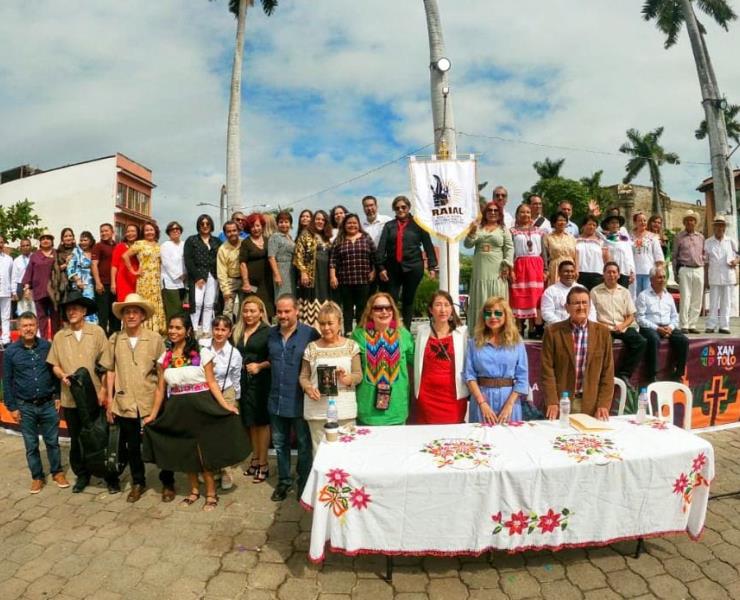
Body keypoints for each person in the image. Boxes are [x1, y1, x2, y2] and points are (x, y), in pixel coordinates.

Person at [143, 314, 247, 511]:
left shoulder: (201, 353)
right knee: (185, 450)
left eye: (178, 328)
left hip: (201, 406)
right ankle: (193, 491)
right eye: (171, 327)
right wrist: (153, 415)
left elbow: (212, 382)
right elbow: (160, 389)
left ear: (188, 331)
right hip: (177, 408)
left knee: (203, 451)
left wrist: (226, 406)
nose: (173, 331)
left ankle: (211, 493)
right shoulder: (164, 357)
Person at [100, 294, 166, 502]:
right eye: (127, 312)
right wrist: (109, 401)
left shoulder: (155, 339)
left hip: (150, 399)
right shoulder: (115, 339)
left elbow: (162, 372)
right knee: (131, 446)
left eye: (135, 311)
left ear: (143, 315)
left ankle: (168, 481)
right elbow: (110, 370)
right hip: (124, 400)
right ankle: (138, 481)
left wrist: (160, 400)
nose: (131, 315)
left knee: (159, 444)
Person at [47, 291, 109, 493]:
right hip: (70, 397)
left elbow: (106, 364)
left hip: (94, 396)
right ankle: (83, 476)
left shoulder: (97, 332)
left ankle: (107, 474)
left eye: (75, 308)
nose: (71, 311)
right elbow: (54, 364)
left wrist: (105, 391)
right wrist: (62, 374)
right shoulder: (59, 336)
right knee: (77, 439)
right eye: (68, 308)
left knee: (99, 437)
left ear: (84, 311)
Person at [3, 311, 69, 493]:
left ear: (37, 327)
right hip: (25, 406)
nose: (28, 329)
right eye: (24, 326)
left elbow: (54, 371)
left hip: (48, 403)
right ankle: (37, 477)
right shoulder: (10, 352)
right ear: (19, 328)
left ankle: (57, 472)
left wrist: (57, 396)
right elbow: (7, 382)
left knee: (52, 442)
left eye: (31, 325)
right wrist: (12, 407)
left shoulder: (47, 347)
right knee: (31, 445)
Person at [267, 294, 320, 501]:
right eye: (279, 311)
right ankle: (284, 482)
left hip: (300, 401)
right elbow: (266, 359)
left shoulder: (309, 334)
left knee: (304, 445)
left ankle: (304, 483)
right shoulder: (270, 335)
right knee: (280, 444)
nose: (283, 315)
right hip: (276, 400)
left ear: (296, 310)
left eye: (287, 311)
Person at [541, 287, 614, 420]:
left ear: (590, 306)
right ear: (567, 307)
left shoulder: (603, 333)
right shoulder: (553, 332)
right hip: (560, 404)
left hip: (591, 405)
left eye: (585, 302)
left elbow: (607, 372)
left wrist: (603, 404)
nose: (581, 307)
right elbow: (547, 371)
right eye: (576, 303)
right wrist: (552, 401)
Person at [300, 302, 361, 452]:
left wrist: (347, 379)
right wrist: (308, 388)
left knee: (347, 452)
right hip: (317, 410)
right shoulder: (311, 348)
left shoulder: (351, 346)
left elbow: (358, 374)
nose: (326, 328)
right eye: (322, 324)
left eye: (330, 323)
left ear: (339, 323)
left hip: (344, 409)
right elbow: (303, 376)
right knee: (320, 453)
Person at [352, 292, 414, 426]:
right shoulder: (358, 336)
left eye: (388, 307)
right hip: (368, 412)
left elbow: (417, 362)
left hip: (396, 411)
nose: (384, 311)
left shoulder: (403, 334)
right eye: (378, 308)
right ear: (370, 312)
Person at [376, 195, 438, 329]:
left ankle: (407, 330)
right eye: (397, 208)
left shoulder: (419, 224)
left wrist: (432, 266)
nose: (400, 210)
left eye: (403, 207)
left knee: (408, 299)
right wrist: (381, 267)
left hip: (414, 266)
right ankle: (391, 328)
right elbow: (381, 247)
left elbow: (428, 245)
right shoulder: (389, 226)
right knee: (391, 300)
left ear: (408, 207)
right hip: (392, 268)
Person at [464, 297, 529, 424]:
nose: (493, 317)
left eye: (498, 313)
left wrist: (509, 405)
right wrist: (482, 403)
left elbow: (523, 376)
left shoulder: (517, 342)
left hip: (509, 401)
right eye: (488, 313)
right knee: (481, 442)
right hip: (481, 401)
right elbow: (469, 375)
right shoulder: (474, 343)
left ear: (506, 316)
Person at [233, 295, 272, 484]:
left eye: (252, 311)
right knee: (250, 422)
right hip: (243, 381)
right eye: (246, 311)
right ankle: (255, 458)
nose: (248, 314)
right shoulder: (238, 330)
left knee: (262, 422)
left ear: (261, 313)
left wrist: (261, 365)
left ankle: (264, 463)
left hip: (262, 380)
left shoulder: (269, 332)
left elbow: (276, 357)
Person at [414, 291, 469, 424]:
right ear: (431, 310)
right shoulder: (422, 332)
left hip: (453, 397)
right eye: (438, 305)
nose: (443, 309)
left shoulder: (462, 333)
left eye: (446, 305)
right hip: (426, 395)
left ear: (451, 309)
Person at [590, 262, 647, 386]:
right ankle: (603, 376)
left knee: (641, 342)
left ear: (619, 275)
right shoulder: (595, 292)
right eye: (608, 272)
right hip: (603, 327)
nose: (611, 275)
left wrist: (623, 325)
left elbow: (631, 315)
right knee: (604, 344)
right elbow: (591, 315)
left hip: (622, 327)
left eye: (614, 272)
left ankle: (624, 374)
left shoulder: (624, 292)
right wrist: (602, 325)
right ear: (603, 274)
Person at [206, 315, 243, 491]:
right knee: (208, 431)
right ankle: (209, 467)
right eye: (217, 329)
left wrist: (235, 400)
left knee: (224, 431)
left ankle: (226, 469)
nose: (219, 333)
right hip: (206, 391)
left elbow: (236, 378)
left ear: (229, 332)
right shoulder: (203, 346)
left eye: (223, 330)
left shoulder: (233, 354)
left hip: (225, 391)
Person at [636, 266, 689, 383]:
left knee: (683, 340)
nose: (663, 280)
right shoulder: (643, 296)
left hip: (667, 326)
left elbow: (675, 317)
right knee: (654, 339)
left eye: (664, 277)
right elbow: (640, 318)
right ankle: (652, 375)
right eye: (659, 277)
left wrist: (670, 327)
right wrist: (657, 328)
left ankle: (678, 374)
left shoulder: (668, 296)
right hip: (650, 327)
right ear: (652, 280)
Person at [464, 201, 514, 321]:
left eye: (495, 210)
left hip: (497, 269)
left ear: (500, 213)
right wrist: (471, 233)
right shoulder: (478, 228)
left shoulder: (503, 229)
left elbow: (509, 248)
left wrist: (507, 264)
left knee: (497, 298)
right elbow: (467, 245)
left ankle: (499, 329)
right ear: (484, 213)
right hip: (480, 269)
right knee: (480, 299)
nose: (492, 212)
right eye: (489, 210)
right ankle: (478, 330)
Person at [330, 214, 378, 335]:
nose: (352, 225)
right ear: (344, 225)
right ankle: (348, 332)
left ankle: (361, 332)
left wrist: (374, 270)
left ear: (358, 224)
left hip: (363, 280)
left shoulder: (366, 237)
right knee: (347, 309)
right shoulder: (339, 240)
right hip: (345, 280)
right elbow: (333, 261)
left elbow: (375, 256)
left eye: (354, 223)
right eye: (349, 223)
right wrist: (333, 276)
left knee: (362, 308)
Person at [122, 222, 166, 335]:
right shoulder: (140, 243)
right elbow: (125, 256)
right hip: (144, 280)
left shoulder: (158, 245)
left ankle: (156, 332)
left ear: (155, 231)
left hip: (156, 281)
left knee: (155, 305)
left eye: (151, 229)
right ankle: (144, 331)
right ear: (143, 232)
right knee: (145, 305)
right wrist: (133, 271)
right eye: (146, 230)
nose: (149, 232)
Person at [509, 203, 546, 337]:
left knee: (534, 297)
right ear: (517, 215)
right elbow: (510, 251)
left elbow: (544, 252)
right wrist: (510, 269)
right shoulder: (512, 231)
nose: (526, 215)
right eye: (522, 212)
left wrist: (545, 269)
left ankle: (532, 328)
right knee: (519, 296)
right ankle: (518, 327)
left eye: (528, 212)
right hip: (519, 265)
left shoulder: (539, 231)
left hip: (536, 266)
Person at [294, 210, 332, 328]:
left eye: (323, 220)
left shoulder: (326, 237)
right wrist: (303, 273)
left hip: (325, 276)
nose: (320, 221)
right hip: (311, 276)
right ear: (313, 220)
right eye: (317, 219)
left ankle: (325, 328)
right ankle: (311, 329)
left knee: (325, 300)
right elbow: (298, 255)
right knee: (310, 303)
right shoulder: (306, 234)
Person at [184, 214, 221, 337]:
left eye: (207, 224)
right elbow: (188, 260)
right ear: (198, 225)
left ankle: (206, 331)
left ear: (211, 225)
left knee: (209, 304)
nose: (205, 226)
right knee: (197, 303)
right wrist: (197, 277)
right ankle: (194, 330)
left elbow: (220, 258)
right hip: (198, 275)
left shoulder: (216, 241)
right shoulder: (192, 240)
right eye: (202, 224)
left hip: (213, 275)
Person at [704, 214, 739, 334]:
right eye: (718, 226)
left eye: (722, 226)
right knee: (713, 301)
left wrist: (736, 261)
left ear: (725, 227)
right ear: (714, 227)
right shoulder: (708, 242)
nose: (720, 228)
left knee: (727, 301)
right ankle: (711, 325)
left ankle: (724, 325)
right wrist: (705, 279)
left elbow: (738, 255)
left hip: (728, 275)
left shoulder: (731, 241)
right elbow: (706, 261)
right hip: (713, 275)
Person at [673, 210, 705, 333]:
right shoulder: (679, 237)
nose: (690, 222)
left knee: (697, 298)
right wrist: (675, 273)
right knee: (685, 297)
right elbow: (675, 255)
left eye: (692, 220)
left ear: (695, 222)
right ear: (684, 222)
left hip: (698, 268)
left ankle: (693, 324)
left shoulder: (701, 237)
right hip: (685, 268)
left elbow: (704, 253)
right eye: (687, 220)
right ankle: (684, 324)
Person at [22, 231, 58, 338]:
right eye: (43, 239)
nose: (45, 240)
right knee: (41, 319)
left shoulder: (57, 253)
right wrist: (27, 288)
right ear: (40, 242)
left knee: (56, 318)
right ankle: (44, 341)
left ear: (52, 241)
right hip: (39, 291)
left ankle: (56, 341)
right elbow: (29, 272)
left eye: (48, 238)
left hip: (54, 292)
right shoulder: (35, 256)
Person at [239, 213, 275, 321]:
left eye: (258, 225)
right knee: (253, 309)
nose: (255, 228)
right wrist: (245, 282)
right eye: (253, 226)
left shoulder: (269, 240)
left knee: (267, 309)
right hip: (252, 284)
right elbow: (242, 264)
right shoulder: (246, 243)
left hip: (267, 282)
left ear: (262, 226)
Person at [541, 260, 594, 325]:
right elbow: (546, 312)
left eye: (572, 271)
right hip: (559, 328)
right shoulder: (550, 291)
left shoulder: (582, 289)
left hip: (582, 327)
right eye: (566, 271)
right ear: (559, 273)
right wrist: (564, 326)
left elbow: (591, 310)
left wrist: (587, 324)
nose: (570, 274)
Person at [67, 231, 98, 324]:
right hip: (80, 284)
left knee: (91, 306)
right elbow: (70, 267)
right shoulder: (76, 251)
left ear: (91, 241)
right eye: (81, 240)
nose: (83, 242)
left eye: (85, 240)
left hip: (92, 284)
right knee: (81, 306)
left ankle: (92, 328)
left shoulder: (94, 251)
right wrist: (77, 280)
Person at [91, 223, 118, 334]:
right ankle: (102, 342)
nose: (104, 233)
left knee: (115, 315)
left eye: (106, 231)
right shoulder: (98, 246)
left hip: (115, 285)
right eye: (102, 231)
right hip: (103, 284)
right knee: (103, 314)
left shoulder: (117, 246)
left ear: (112, 232)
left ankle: (115, 339)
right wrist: (98, 282)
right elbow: (94, 265)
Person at [631, 211, 665, 299]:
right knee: (636, 297)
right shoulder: (630, 237)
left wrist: (659, 272)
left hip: (649, 272)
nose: (643, 222)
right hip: (634, 272)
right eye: (640, 220)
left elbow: (658, 256)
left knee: (648, 297)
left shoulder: (653, 237)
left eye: (644, 220)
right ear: (635, 222)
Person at [160, 221, 187, 323]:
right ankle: (171, 334)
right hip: (170, 283)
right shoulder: (165, 245)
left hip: (184, 283)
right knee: (173, 311)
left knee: (183, 310)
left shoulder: (184, 244)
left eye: (177, 229)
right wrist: (180, 275)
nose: (175, 231)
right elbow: (167, 263)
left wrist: (186, 275)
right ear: (168, 232)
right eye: (172, 229)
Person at [602, 209, 635, 289]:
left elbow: (629, 255)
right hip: (611, 273)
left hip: (624, 271)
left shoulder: (625, 239)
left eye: (617, 223)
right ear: (608, 225)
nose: (615, 225)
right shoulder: (604, 240)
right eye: (612, 223)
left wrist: (632, 271)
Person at [217, 220, 243, 321]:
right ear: (225, 233)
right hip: (230, 281)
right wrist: (225, 290)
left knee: (244, 307)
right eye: (229, 231)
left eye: (234, 230)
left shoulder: (245, 243)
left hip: (244, 280)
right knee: (228, 310)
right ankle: (227, 332)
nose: (232, 233)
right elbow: (221, 272)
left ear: (238, 231)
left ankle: (241, 331)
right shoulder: (222, 249)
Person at [267, 211, 296, 300]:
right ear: (277, 224)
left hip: (291, 270)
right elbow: (271, 257)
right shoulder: (275, 237)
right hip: (281, 270)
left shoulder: (290, 237)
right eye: (281, 222)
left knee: (291, 297)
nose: (284, 224)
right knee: (282, 297)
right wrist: (277, 275)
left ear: (290, 224)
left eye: (286, 222)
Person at [544, 211, 578, 285]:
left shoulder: (571, 238)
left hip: (570, 268)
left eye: (564, 220)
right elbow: (544, 255)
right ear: (553, 223)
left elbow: (576, 255)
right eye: (559, 220)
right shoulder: (548, 237)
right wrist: (545, 270)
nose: (562, 222)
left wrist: (577, 270)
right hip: (555, 268)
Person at [576, 215, 609, 290]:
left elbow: (606, 259)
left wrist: (606, 274)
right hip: (580, 274)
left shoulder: (601, 242)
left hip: (597, 274)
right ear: (583, 226)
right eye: (589, 224)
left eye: (594, 225)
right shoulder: (575, 240)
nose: (592, 227)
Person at [111, 223, 140, 302]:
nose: (130, 234)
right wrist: (113, 283)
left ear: (138, 233)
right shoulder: (120, 246)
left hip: (138, 280)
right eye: (128, 231)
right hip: (123, 280)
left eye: (133, 231)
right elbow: (114, 266)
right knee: (123, 304)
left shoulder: (141, 247)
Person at [52, 227, 76, 306]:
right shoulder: (57, 252)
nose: (68, 238)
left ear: (73, 237)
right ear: (62, 239)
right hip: (63, 283)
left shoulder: (78, 250)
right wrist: (66, 264)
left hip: (77, 283)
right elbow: (55, 269)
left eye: (70, 236)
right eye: (65, 236)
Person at [11, 238, 35, 317]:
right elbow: (14, 277)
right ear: (20, 247)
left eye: (27, 245)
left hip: (34, 287)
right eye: (23, 246)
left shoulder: (35, 258)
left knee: (35, 311)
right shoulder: (17, 260)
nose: (25, 247)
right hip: (21, 287)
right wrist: (14, 292)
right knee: (22, 311)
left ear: (31, 246)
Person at [0, 236, 12, 346]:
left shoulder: (9, 259)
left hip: (5, 291)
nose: (0, 244)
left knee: (5, 316)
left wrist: (12, 290)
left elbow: (11, 276)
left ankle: (6, 339)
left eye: (2, 242)